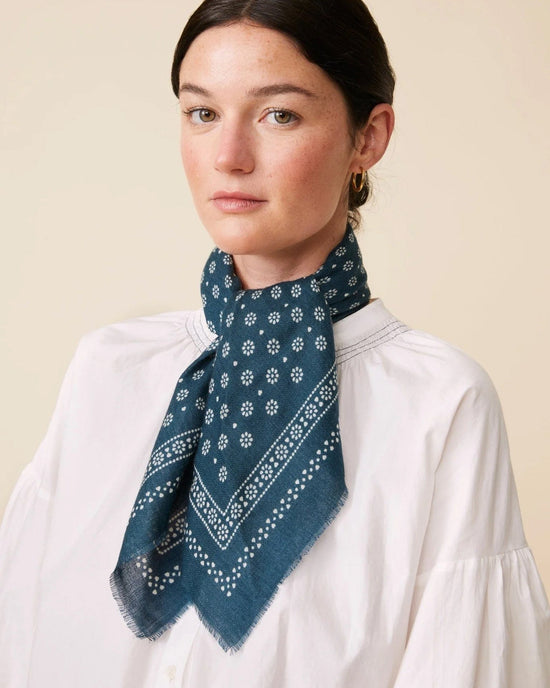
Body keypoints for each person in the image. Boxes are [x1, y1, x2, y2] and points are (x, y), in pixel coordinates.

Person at [1, 0, 549, 685]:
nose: (228, 157)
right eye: (202, 113)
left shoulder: (441, 404)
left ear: (368, 138)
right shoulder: (108, 370)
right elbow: (19, 636)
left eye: (278, 115)